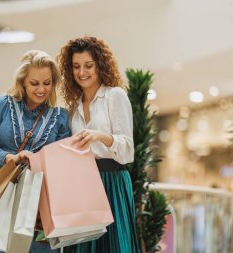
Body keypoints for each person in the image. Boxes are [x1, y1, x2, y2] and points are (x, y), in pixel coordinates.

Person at [0, 50, 71, 253]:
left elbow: (63, 162)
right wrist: (8, 157)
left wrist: (39, 161)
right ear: (22, 82)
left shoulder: (60, 116)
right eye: (34, 83)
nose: (42, 89)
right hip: (5, 200)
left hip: (41, 206)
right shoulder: (0, 105)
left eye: (47, 82)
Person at [58, 36, 140, 253]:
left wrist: (101, 136)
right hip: (83, 183)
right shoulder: (73, 107)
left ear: (100, 65)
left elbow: (128, 150)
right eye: (76, 66)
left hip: (112, 182)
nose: (82, 72)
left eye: (88, 66)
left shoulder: (115, 96)